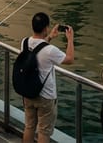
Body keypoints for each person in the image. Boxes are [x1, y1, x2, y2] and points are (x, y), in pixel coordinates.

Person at [20, 12, 75, 143]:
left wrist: (50, 37)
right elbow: (70, 59)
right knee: (44, 132)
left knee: (29, 127)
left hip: (28, 91)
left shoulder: (25, 42)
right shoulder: (50, 50)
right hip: (46, 96)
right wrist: (70, 39)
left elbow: (38, 48)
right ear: (45, 28)